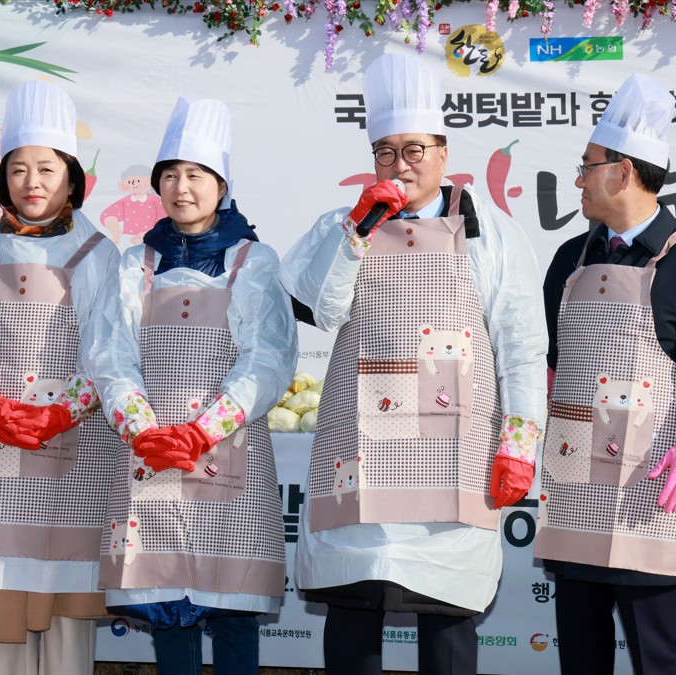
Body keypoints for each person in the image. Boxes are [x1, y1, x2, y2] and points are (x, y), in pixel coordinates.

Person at [280, 52, 547, 675]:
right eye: (386, 152)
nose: (401, 165)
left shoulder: (494, 235)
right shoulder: (342, 227)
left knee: (447, 614)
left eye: (415, 150)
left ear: (443, 153)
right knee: (354, 607)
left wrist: (520, 443)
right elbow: (321, 308)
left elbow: (523, 346)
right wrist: (356, 231)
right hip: (361, 446)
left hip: (454, 452)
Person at [534, 73, 676, 675]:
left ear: (622, 172)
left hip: (652, 486)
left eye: (587, 165)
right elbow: (552, 364)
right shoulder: (570, 258)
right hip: (577, 487)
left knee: (664, 655)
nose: (577, 178)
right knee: (581, 655)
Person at [96, 96, 296, 674]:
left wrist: (204, 428)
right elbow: (111, 354)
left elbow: (268, 358)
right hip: (151, 451)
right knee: (166, 609)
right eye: (171, 176)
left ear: (221, 184)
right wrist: (145, 427)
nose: (182, 188)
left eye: (196, 175)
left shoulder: (253, 261)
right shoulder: (136, 262)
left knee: (230, 608)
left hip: (227, 452)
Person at [0, 80, 122, 675]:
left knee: (65, 615)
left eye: (46, 168)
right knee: (2, 614)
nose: (32, 183)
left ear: (71, 175)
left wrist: (62, 411)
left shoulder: (100, 253)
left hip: (77, 449)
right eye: (18, 169)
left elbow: (109, 347)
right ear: (3, 178)